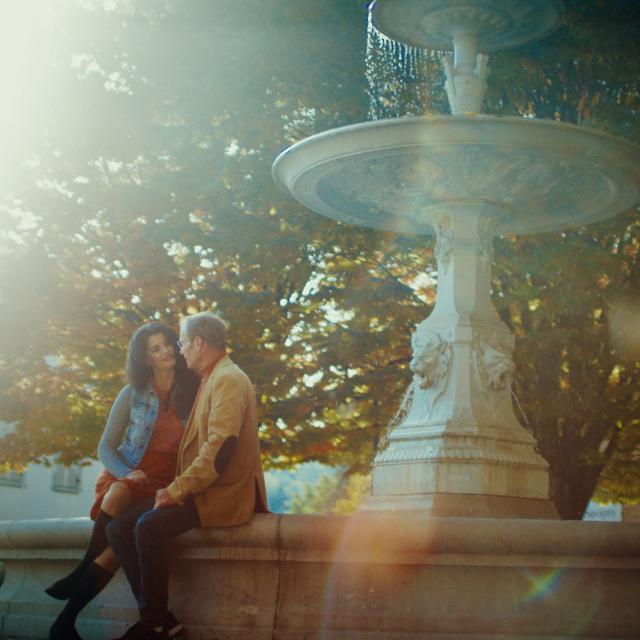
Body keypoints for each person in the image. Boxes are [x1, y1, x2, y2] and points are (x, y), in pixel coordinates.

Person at [106, 312, 269, 640]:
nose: (179, 351)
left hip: (222, 493)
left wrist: (176, 490)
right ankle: (163, 620)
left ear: (198, 343)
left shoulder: (228, 379)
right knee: (118, 528)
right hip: (204, 488)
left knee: (148, 527)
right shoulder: (212, 377)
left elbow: (219, 451)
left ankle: (152, 625)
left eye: (181, 343)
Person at [46, 322, 199, 640]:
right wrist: (126, 472)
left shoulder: (193, 391)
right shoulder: (132, 394)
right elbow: (105, 447)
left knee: (116, 550)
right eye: (155, 349)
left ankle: (65, 621)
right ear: (146, 359)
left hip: (161, 485)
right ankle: (153, 614)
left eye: (168, 343)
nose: (166, 350)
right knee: (118, 490)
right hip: (125, 474)